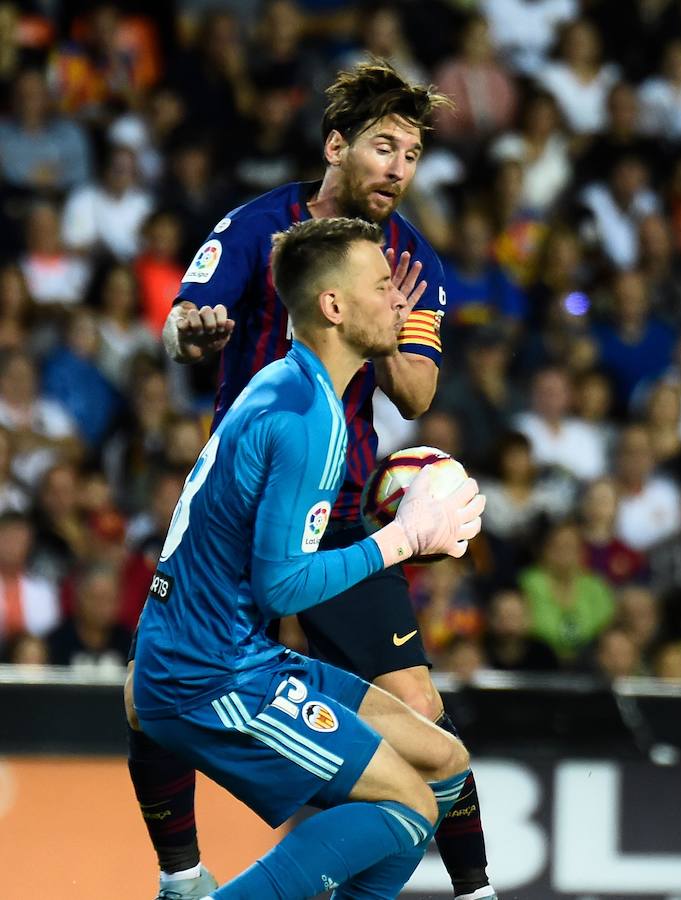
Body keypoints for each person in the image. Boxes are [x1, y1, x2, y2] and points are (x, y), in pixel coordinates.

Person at [127, 61, 498, 900]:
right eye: (383, 147)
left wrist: (393, 323)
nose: (399, 169)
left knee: (427, 730)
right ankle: (183, 878)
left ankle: (475, 888)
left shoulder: (411, 261)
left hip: (335, 509)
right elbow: (182, 328)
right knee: (157, 694)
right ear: (337, 145)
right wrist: (195, 332)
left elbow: (415, 393)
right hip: (247, 497)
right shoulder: (255, 229)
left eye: (412, 154)